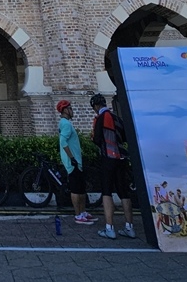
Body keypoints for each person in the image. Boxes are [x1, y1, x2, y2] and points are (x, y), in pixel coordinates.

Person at [90, 94, 135, 239]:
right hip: (121, 158)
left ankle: (109, 228)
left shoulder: (100, 118)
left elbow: (97, 139)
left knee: (107, 192)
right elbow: (126, 137)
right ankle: (130, 227)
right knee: (124, 192)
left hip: (108, 158)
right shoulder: (117, 118)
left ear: (96, 106)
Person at [56, 100, 94, 225]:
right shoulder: (65, 124)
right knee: (76, 189)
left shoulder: (66, 123)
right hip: (72, 162)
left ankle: (83, 212)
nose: (72, 110)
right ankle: (78, 215)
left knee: (81, 189)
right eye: (70, 108)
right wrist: (71, 158)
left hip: (77, 161)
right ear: (65, 110)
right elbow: (63, 142)